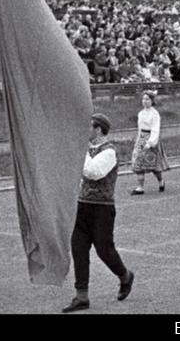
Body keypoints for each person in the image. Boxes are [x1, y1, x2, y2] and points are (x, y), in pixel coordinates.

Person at [62, 113, 135, 313]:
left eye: (89, 126)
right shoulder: (87, 150)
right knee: (79, 249)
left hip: (102, 208)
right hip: (82, 205)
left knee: (104, 250)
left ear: (99, 129)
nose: (85, 130)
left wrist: (79, 152)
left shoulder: (109, 151)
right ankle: (81, 296)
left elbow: (94, 172)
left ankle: (125, 276)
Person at [130, 90, 170, 195]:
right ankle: (140, 187)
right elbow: (140, 128)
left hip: (150, 139)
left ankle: (161, 181)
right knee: (138, 162)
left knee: (153, 166)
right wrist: (138, 139)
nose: (145, 101)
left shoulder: (154, 114)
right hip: (141, 139)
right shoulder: (141, 113)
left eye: (147, 99)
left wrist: (151, 142)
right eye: (143, 99)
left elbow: (155, 129)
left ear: (152, 101)